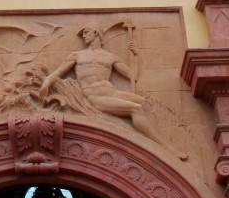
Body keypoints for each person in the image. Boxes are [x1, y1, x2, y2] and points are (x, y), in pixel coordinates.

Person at [39, 23, 186, 160]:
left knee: (144, 102)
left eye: (86, 32)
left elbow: (132, 76)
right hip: (95, 96)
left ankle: (151, 135)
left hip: (111, 92)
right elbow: (58, 73)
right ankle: (165, 147)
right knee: (136, 109)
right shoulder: (77, 56)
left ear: (96, 33)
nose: (84, 36)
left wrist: (137, 56)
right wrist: (46, 82)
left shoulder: (110, 57)